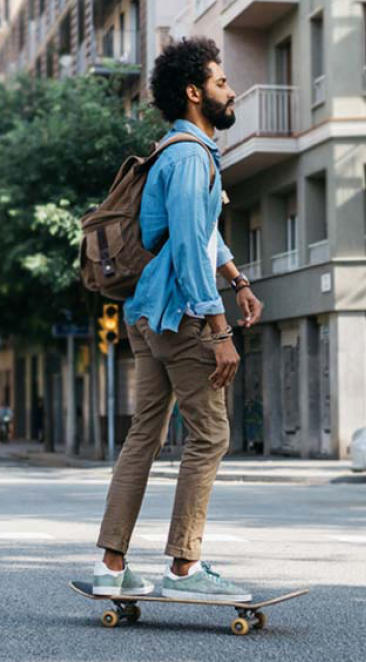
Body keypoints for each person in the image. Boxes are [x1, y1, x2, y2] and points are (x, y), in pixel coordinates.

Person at [91, 37, 264, 602]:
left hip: (145, 313)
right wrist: (219, 331)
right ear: (195, 93)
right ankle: (184, 569)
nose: (230, 89)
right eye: (220, 82)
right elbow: (190, 247)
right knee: (210, 435)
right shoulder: (191, 157)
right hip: (177, 316)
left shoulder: (175, 151)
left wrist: (238, 280)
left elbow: (203, 234)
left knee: (144, 434)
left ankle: (112, 565)